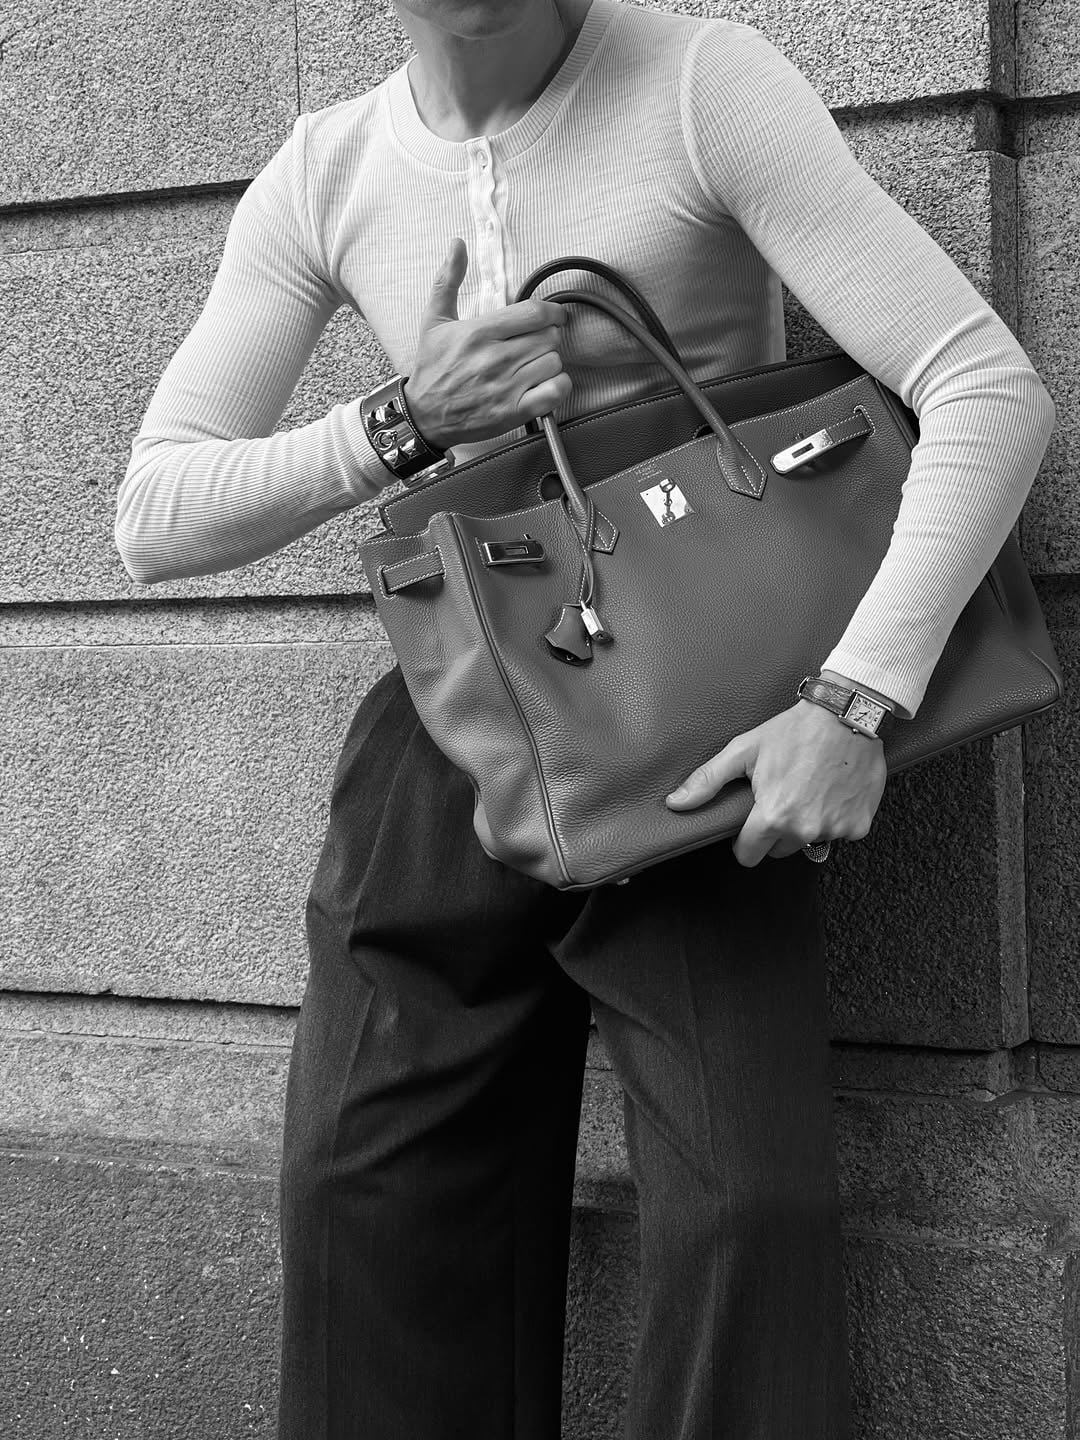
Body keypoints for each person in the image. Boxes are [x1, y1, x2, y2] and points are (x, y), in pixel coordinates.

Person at [115, 0, 1054, 1434]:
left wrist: (854, 699)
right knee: (369, 1198)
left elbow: (985, 388)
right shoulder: (326, 170)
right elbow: (154, 518)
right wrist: (399, 422)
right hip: (449, 729)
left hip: (692, 727)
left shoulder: (695, 83)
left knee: (745, 1216)